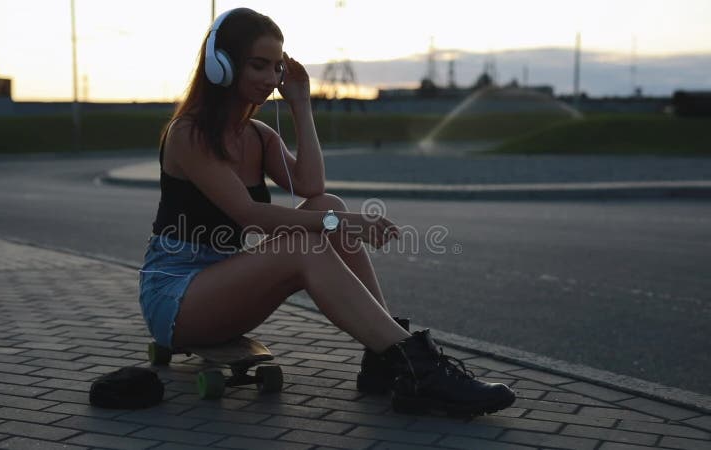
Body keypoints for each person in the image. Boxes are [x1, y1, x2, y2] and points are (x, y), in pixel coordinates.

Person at [139, 7, 515, 415]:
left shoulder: (259, 136)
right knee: (311, 239)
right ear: (221, 67)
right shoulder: (190, 134)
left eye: (277, 68)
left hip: (224, 285)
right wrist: (341, 222)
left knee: (328, 205)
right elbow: (250, 215)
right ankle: (420, 369)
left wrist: (301, 103)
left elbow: (312, 187)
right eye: (258, 66)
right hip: (176, 299)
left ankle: (383, 360)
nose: (270, 79)